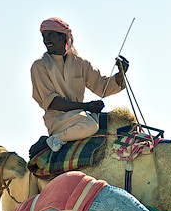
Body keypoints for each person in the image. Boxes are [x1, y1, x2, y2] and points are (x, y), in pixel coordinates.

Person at [31, 17, 130, 152]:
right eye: (44, 36)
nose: (46, 40)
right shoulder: (40, 66)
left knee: (115, 122)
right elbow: (52, 102)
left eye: (51, 35)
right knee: (91, 126)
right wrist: (86, 106)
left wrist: (120, 74)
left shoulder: (81, 63)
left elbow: (102, 87)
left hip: (80, 115)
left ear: (63, 37)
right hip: (58, 119)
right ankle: (54, 140)